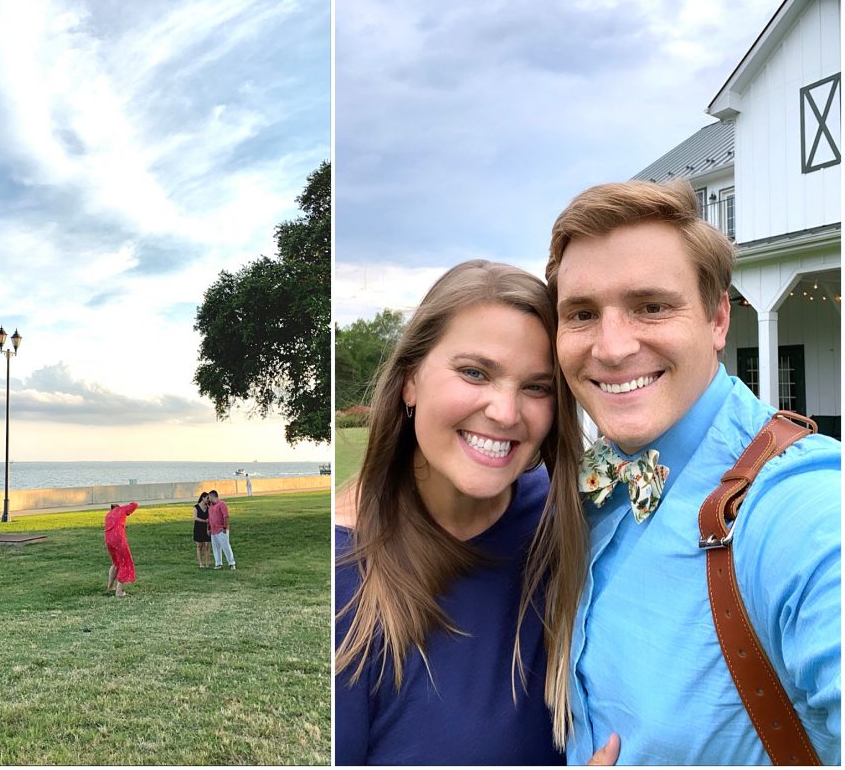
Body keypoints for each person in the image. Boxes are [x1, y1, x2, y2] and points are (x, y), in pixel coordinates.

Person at [533, 180, 841, 764]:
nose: (613, 347)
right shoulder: (585, 489)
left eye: (651, 306)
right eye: (581, 313)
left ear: (718, 318)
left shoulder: (802, 511)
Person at [334, 260, 584, 766]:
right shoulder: (342, 579)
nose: (505, 412)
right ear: (410, 380)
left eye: (536, 387)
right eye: (474, 372)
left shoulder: (571, 519)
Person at [105, 501, 139, 597]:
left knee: (115, 563)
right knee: (125, 562)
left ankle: (110, 587)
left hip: (108, 539)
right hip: (118, 539)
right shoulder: (122, 510)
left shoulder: (108, 514)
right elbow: (134, 505)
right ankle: (119, 591)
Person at [207, 490, 236, 570]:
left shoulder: (222, 504)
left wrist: (224, 527)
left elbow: (225, 516)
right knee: (215, 547)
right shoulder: (210, 507)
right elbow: (209, 519)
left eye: (209, 497)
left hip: (221, 529)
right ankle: (218, 563)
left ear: (213, 496)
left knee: (225, 546)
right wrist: (209, 528)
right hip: (213, 530)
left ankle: (231, 563)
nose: (208, 499)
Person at [193, 492, 212, 568]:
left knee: (207, 546)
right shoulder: (196, 507)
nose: (208, 500)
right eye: (207, 498)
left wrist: (208, 527)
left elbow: (210, 518)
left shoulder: (209, 508)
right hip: (198, 528)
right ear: (203, 498)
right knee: (199, 546)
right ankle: (201, 563)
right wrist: (205, 521)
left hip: (206, 528)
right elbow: (195, 518)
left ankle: (207, 563)